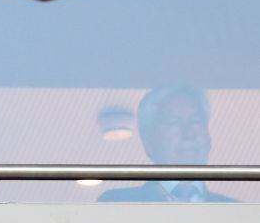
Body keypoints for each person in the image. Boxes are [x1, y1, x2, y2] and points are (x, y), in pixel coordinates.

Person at [98, 85, 236, 203]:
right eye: (175, 122)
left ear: (208, 138)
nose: (188, 134)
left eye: (196, 121)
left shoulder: (238, 214)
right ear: (149, 142)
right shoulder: (119, 205)